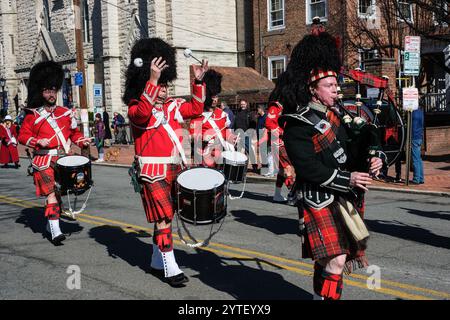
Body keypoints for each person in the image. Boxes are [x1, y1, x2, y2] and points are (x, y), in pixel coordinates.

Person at [278, 29, 385, 300]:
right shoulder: (297, 124)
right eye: (330, 85)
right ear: (313, 89)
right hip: (318, 197)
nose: (337, 89)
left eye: (336, 84)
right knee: (336, 260)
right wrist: (347, 179)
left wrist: (374, 155)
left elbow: (363, 137)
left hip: (343, 197)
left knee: (328, 260)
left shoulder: (339, 114)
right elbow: (307, 168)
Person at [124, 37, 208, 287]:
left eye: (165, 84)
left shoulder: (172, 107)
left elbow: (197, 108)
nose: (165, 89)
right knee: (165, 216)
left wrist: (198, 80)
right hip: (152, 170)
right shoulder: (135, 106)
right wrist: (151, 80)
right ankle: (171, 267)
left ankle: (156, 260)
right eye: (161, 85)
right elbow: (142, 115)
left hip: (175, 167)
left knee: (167, 217)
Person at [18, 61, 90, 245]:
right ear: (40, 92)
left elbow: (74, 134)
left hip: (63, 159)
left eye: (53, 90)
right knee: (51, 194)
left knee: (58, 194)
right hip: (43, 159)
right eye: (47, 91)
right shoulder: (32, 115)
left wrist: (83, 140)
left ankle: (52, 223)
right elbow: (22, 136)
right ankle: (56, 231)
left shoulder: (65, 113)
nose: (51, 94)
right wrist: (36, 141)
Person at [189, 69, 236, 167]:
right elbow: (193, 137)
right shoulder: (199, 114)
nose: (215, 100)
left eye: (216, 97)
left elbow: (225, 133)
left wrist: (232, 138)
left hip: (221, 156)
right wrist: (203, 137)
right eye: (212, 97)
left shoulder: (222, 114)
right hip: (205, 157)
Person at [263, 98, 295, 202]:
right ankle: (293, 195)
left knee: (282, 171)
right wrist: (282, 132)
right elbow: (269, 123)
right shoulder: (275, 106)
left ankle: (277, 194)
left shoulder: (286, 106)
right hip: (278, 142)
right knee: (288, 168)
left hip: (283, 141)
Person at [411, 106, 424, 184]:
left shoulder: (413, 113)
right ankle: (421, 178)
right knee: (419, 159)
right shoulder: (420, 111)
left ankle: (416, 179)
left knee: (415, 159)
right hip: (419, 136)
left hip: (414, 137)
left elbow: (412, 126)